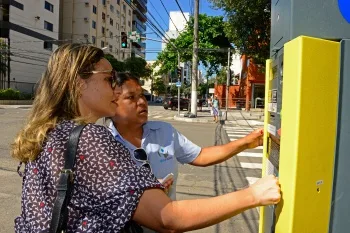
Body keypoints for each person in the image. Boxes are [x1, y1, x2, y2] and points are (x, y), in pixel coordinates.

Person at [11, 43, 280, 233]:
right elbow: (168, 217)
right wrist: (254, 194)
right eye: (109, 79)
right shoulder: (91, 139)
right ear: (79, 83)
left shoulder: (49, 134)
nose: (115, 91)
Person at [106, 74, 267, 202]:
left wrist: (246, 142)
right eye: (131, 97)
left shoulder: (164, 131)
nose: (142, 102)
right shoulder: (101, 144)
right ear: (111, 104)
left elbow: (201, 156)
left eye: (142, 95)